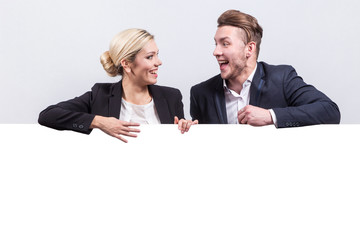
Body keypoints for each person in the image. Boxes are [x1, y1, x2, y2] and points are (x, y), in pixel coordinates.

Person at [39, 28, 196, 142]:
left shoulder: (171, 97)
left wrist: (185, 127)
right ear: (126, 64)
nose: (158, 62)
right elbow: (47, 115)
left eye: (157, 55)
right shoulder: (100, 95)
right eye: (150, 57)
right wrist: (100, 122)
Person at [190, 10, 341, 127]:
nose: (216, 52)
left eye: (225, 43)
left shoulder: (282, 78)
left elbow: (329, 111)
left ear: (249, 49)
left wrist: (271, 116)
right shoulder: (200, 93)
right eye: (215, 43)